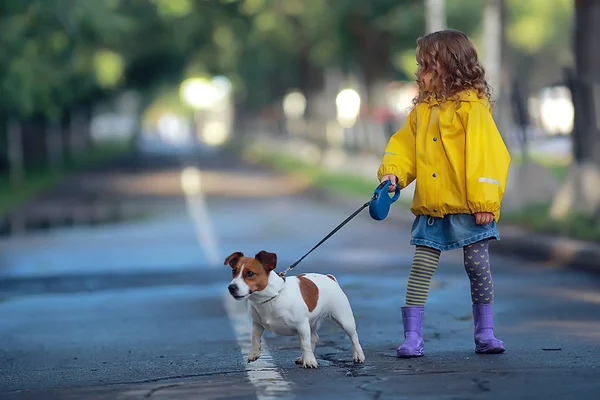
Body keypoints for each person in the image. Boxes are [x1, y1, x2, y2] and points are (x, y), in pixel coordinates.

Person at [377, 29, 511, 358]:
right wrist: (393, 173)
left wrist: (484, 203)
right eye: (420, 66)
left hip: (469, 206)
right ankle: (412, 336)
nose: (419, 74)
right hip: (432, 207)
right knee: (421, 267)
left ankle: (485, 330)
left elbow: (487, 157)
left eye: (426, 66)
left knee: (477, 267)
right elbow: (404, 148)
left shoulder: (473, 109)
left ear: (451, 68)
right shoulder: (422, 111)